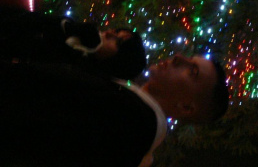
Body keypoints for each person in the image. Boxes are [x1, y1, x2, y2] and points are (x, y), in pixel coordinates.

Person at [0, 54, 229, 167]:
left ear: (186, 107)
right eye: (189, 59)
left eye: (193, 72)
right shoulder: (130, 109)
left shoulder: (132, 123)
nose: (178, 57)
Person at [0, 7, 147, 80]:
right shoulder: (73, 32)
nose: (108, 33)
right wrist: (67, 28)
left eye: (118, 42)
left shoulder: (79, 76)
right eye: (115, 31)